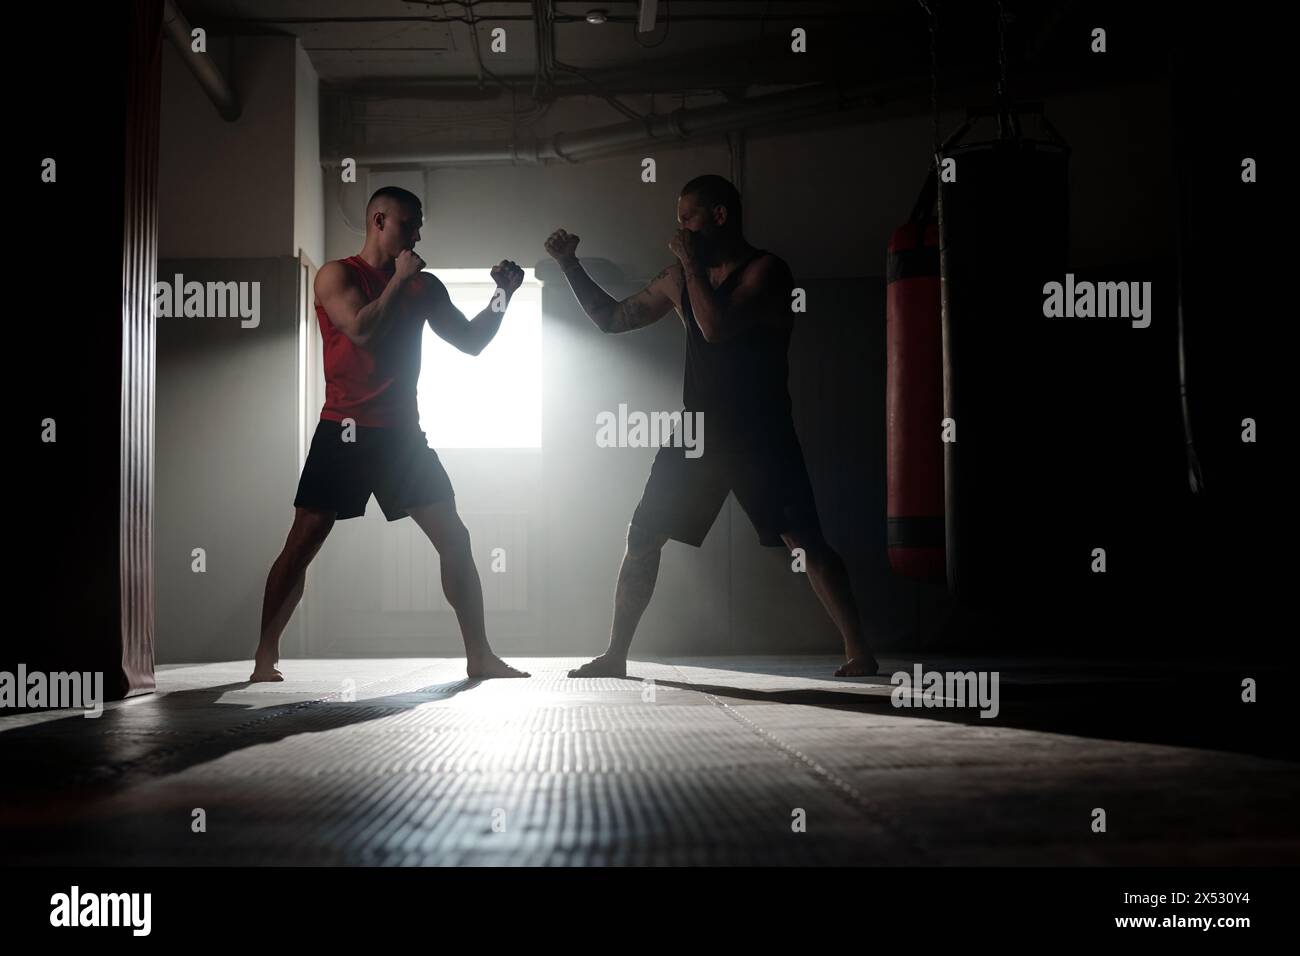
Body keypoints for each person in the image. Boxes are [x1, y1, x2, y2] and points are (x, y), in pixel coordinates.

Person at [545, 174, 878, 679]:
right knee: (643, 536)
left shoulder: (766, 271)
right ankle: (615, 654)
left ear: (719, 216)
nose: (680, 229)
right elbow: (612, 319)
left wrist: (689, 265)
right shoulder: (681, 277)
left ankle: (859, 650)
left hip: (759, 432)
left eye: (688, 219)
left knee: (805, 541)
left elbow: (715, 327)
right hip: (697, 432)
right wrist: (569, 266)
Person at [251, 186, 529, 682]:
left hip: (402, 435)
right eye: (408, 224)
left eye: (419, 225)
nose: (417, 235)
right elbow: (360, 330)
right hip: (345, 429)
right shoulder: (337, 274)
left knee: (455, 539)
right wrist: (400, 279)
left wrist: (502, 296)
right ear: (378, 221)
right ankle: (264, 657)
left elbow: (470, 342)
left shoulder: (424, 286)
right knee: (302, 544)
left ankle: (480, 656)